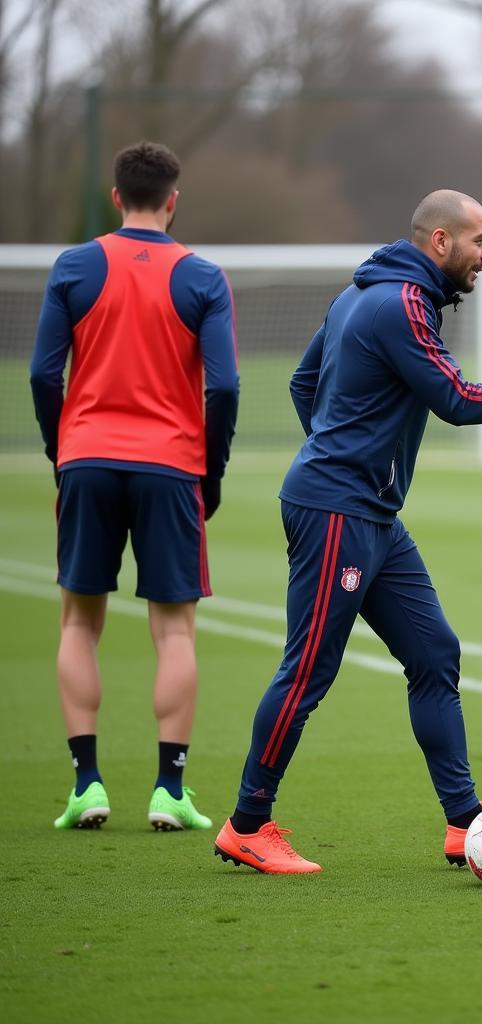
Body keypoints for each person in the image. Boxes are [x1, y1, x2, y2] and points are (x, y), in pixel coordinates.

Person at [213, 189, 482, 874]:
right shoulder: (400, 304)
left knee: (435, 652)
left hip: (369, 512)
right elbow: (460, 401)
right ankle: (247, 823)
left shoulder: (361, 295)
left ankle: (464, 820)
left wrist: (343, 454)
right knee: (309, 668)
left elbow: (303, 383)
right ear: (440, 241)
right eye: (481, 240)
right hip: (338, 512)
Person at [29, 141, 239, 833]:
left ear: (116, 197)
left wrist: (63, 451)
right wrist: (211, 468)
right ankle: (168, 791)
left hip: (85, 458)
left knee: (77, 621)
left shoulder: (74, 265)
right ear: (172, 201)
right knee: (173, 629)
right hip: (171, 465)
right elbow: (226, 386)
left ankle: (88, 785)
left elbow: (41, 375)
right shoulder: (203, 276)